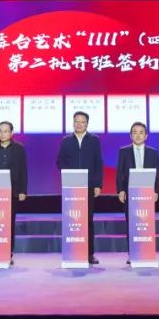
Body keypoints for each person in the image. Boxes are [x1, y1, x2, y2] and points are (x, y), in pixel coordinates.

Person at [55, 110, 104, 264]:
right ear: (73, 122)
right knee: (72, 219)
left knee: (87, 219)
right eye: (76, 121)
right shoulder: (66, 140)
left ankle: (89, 254)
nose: (79, 124)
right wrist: (70, 172)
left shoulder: (94, 140)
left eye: (82, 122)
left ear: (87, 124)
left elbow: (98, 163)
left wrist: (98, 184)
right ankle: (72, 252)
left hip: (88, 186)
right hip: (71, 186)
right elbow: (59, 161)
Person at [116, 121, 159, 266]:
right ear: (130, 135)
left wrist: (156, 191)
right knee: (131, 223)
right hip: (130, 194)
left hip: (147, 194)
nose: (138, 135)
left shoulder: (153, 152)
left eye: (141, 132)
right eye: (134, 132)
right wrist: (120, 190)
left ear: (146, 136)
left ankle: (147, 252)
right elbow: (120, 173)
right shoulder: (124, 151)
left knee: (146, 223)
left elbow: (158, 174)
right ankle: (132, 253)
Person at [0, 120, 27, 265]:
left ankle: (8, 253)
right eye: (0, 131)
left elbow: (23, 171)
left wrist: (23, 190)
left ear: (11, 133)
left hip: (13, 191)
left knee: (9, 223)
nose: (3, 134)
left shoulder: (19, 148)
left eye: (6, 131)